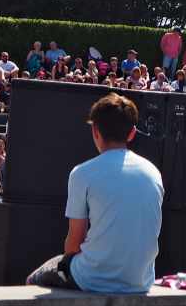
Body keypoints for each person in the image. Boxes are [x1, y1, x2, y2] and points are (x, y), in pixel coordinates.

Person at [26, 93, 163, 292]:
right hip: (141, 282)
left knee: (32, 281)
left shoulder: (82, 173)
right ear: (132, 133)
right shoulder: (154, 172)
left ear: (95, 130)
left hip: (91, 278)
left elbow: (74, 244)